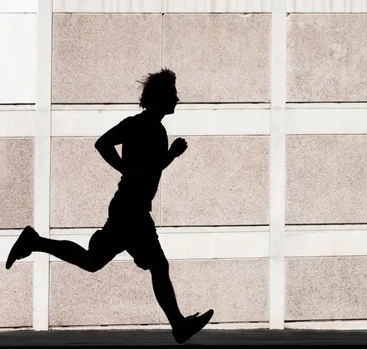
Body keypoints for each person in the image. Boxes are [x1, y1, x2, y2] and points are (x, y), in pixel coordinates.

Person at [5, 68, 213, 344]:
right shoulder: (139, 125)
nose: (177, 99)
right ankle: (178, 326)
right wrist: (135, 165)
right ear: (160, 97)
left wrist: (160, 159)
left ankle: (35, 241)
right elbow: (110, 149)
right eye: (173, 94)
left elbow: (140, 166)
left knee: (93, 261)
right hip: (131, 210)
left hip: (129, 208)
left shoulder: (154, 128)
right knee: (158, 266)